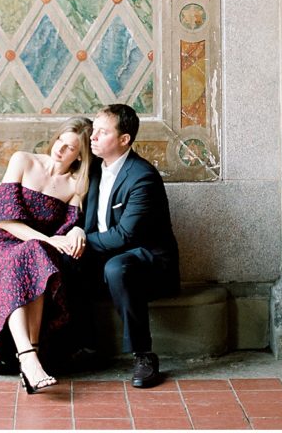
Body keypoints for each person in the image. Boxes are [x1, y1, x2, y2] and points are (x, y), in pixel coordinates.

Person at [0, 115, 92, 393]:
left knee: (34, 256)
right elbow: (6, 221)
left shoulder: (76, 184)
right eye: (60, 140)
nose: (60, 149)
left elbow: (72, 227)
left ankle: (30, 360)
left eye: (70, 147)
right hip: (1, 248)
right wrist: (47, 239)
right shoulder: (23, 160)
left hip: (38, 256)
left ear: (79, 155)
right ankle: (29, 358)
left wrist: (78, 232)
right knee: (30, 254)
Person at [80, 104, 180, 388]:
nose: (93, 137)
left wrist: (82, 241)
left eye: (103, 132)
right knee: (60, 261)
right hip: (104, 255)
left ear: (124, 140)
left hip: (148, 262)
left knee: (117, 267)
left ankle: (144, 355)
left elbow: (126, 235)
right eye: (94, 130)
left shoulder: (142, 176)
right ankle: (81, 346)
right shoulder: (95, 170)